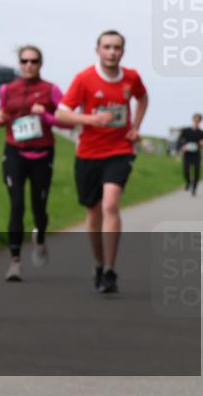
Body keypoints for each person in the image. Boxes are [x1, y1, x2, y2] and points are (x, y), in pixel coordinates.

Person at [55, 31, 148, 294]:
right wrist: (91, 120)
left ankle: (109, 269)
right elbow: (62, 113)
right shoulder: (84, 78)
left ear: (123, 51)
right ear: (97, 50)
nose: (112, 52)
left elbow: (143, 98)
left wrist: (136, 126)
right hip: (88, 153)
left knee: (110, 203)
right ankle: (98, 263)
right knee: (93, 212)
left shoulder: (132, 78)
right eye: (107, 47)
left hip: (120, 150)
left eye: (117, 47)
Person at [0, 45, 70, 282]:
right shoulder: (8, 89)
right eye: (24, 61)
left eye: (34, 61)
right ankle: (14, 262)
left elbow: (68, 122)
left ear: (40, 64)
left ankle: (40, 236)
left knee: (39, 206)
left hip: (42, 153)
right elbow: (1, 114)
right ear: (19, 63)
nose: (29, 65)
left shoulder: (50, 90)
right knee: (16, 205)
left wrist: (45, 115)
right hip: (15, 151)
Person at [176, 114, 203, 196]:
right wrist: (183, 146)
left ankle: (194, 188)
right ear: (193, 120)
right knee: (186, 170)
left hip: (196, 154)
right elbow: (179, 140)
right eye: (195, 120)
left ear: (200, 121)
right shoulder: (186, 130)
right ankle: (188, 182)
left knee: (197, 172)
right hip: (187, 153)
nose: (196, 122)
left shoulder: (201, 132)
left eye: (198, 121)